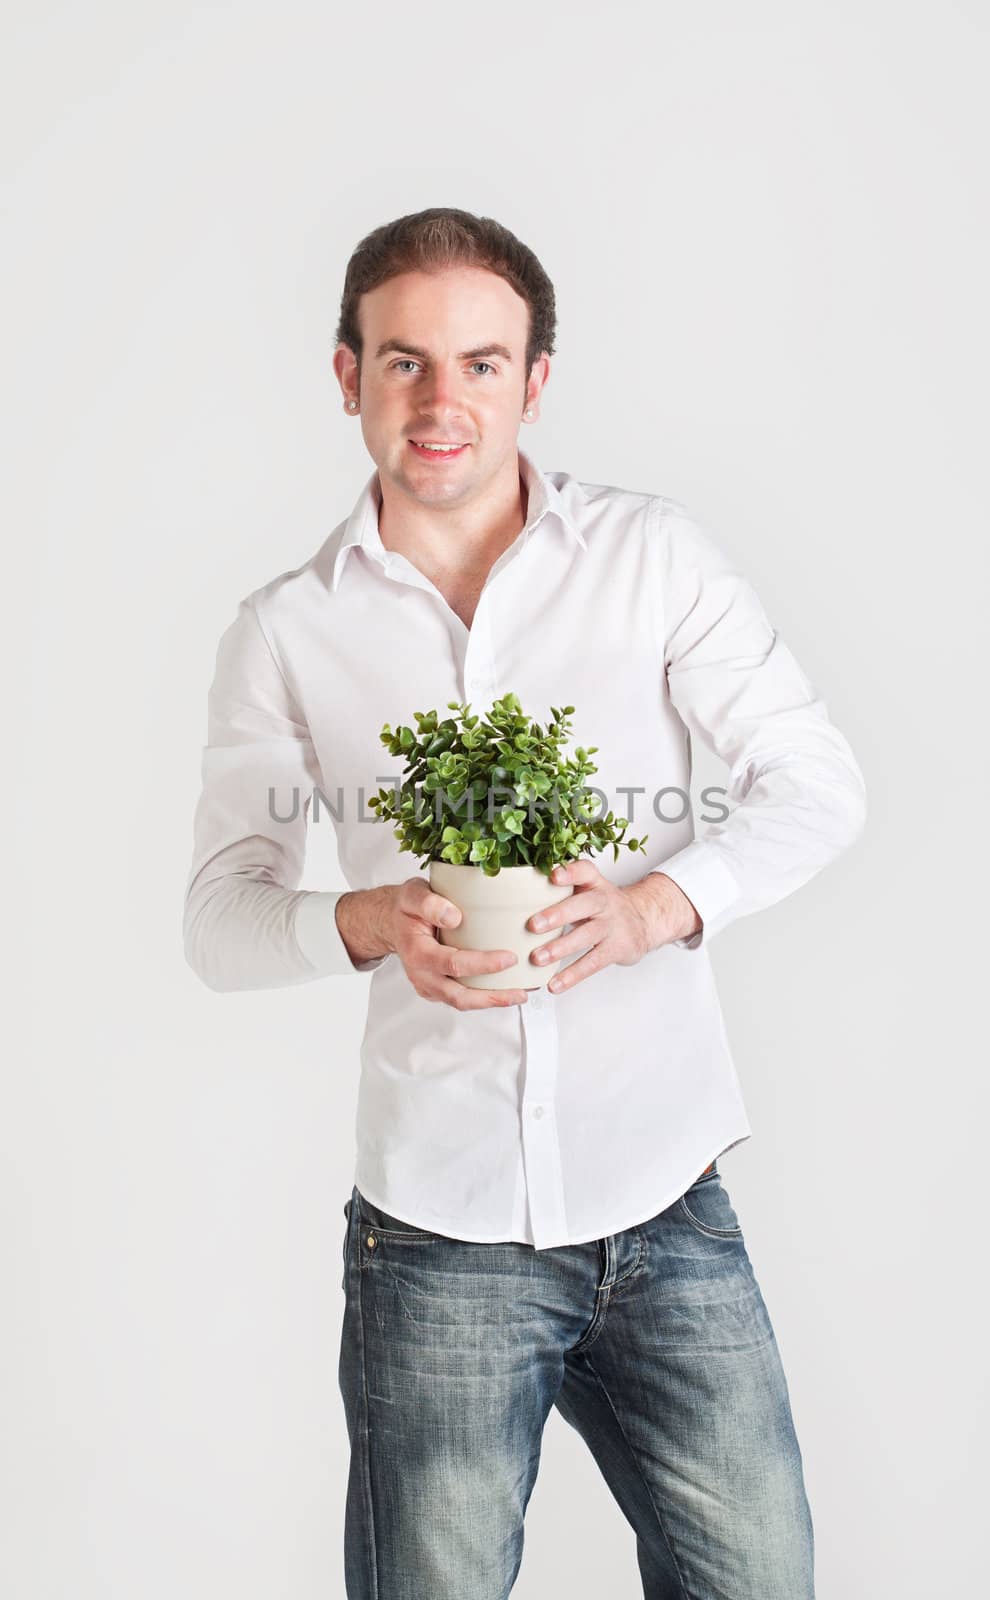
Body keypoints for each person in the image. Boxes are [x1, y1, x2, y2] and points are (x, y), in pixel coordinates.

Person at [183, 206, 867, 1599]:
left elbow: (815, 783)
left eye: (481, 364)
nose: (443, 402)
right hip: (436, 1235)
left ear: (534, 381)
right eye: (406, 364)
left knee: (761, 1579)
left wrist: (652, 906)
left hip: (663, 1198)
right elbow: (219, 919)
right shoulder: (286, 630)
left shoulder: (651, 558)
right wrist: (366, 923)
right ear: (347, 375)